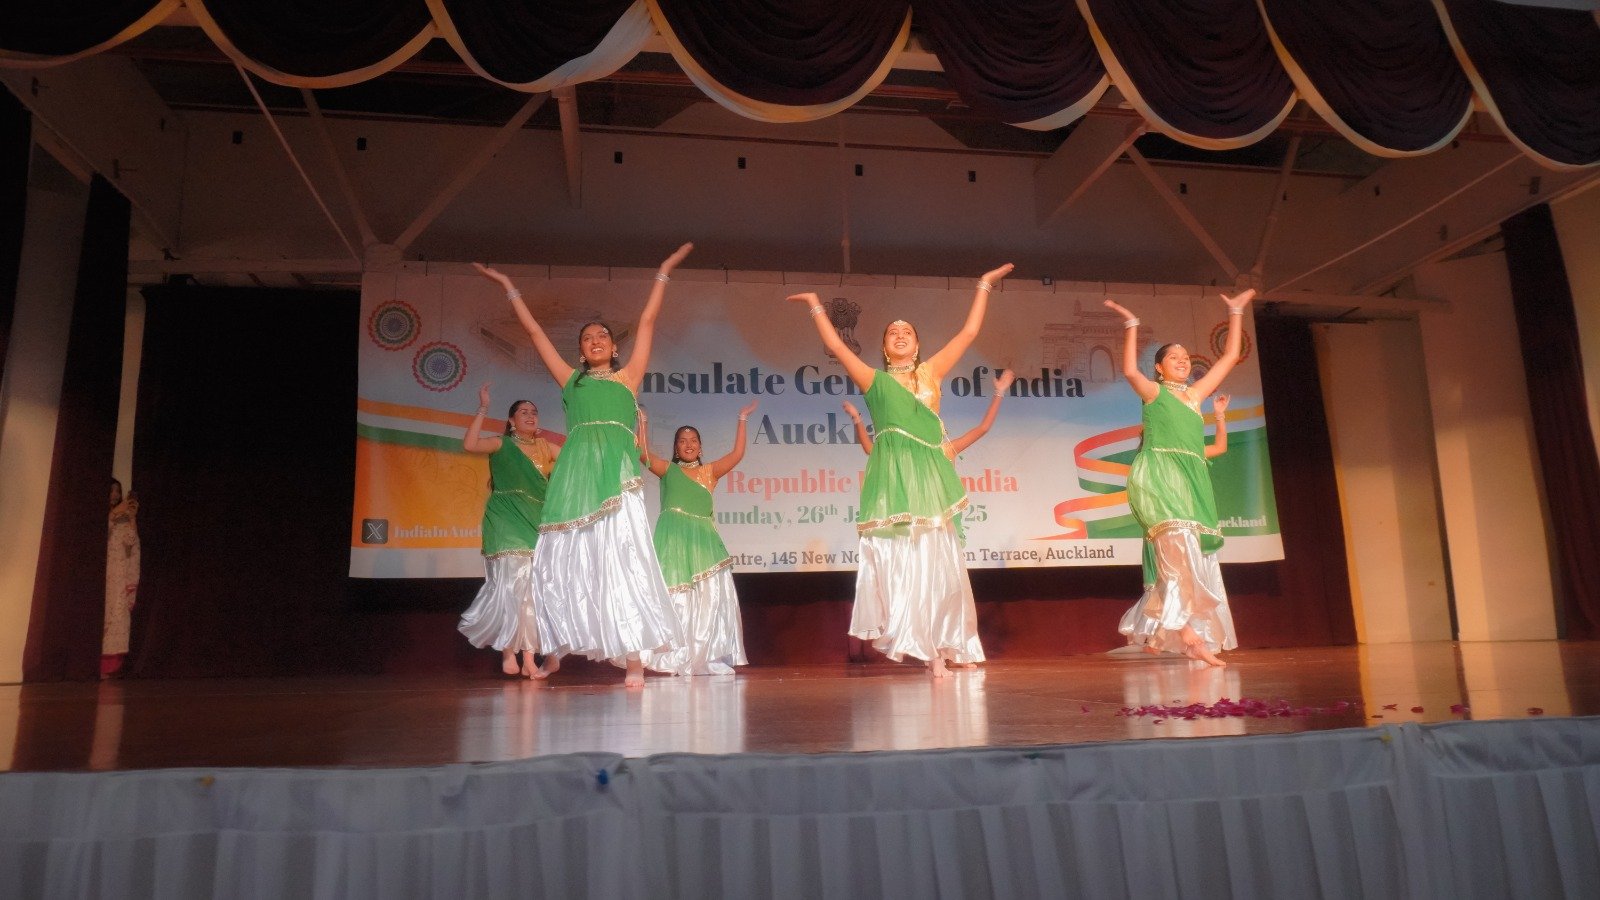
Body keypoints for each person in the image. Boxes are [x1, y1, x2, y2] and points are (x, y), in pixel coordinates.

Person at [473, 244, 692, 687]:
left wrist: (663, 272)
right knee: (564, 565)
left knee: (626, 562)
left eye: (603, 338)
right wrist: (510, 288)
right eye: (587, 339)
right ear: (580, 352)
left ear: (613, 349)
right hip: (575, 482)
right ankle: (554, 649)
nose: (595, 342)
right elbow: (535, 334)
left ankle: (634, 661)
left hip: (618, 479)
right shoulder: (569, 380)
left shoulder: (629, 378)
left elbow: (647, 322)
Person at [786, 263, 1014, 677]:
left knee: (939, 563)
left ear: (918, 344)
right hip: (895, 480)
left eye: (907, 330)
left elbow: (968, 334)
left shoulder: (931, 372)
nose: (901, 333)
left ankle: (942, 646)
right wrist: (817, 307)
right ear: (885, 349)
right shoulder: (874, 381)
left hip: (930, 477)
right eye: (893, 332)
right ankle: (924, 647)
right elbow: (839, 349)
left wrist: (983, 284)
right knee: (906, 562)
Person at [1102, 290, 1256, 666]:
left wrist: (1236, 311)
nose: (1183, 362)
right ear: (1160, 367)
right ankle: (1190, 640)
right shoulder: (1154, 393)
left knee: (1184, 560)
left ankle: (1181, 635)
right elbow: (1128, 371)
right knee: (1175, 557)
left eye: (1187, 358)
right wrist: (1132, 324)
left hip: (1190, 481)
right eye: (1174, 357)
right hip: (1158, 476)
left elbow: (1231, 356)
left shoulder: (1195, 396)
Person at [636, 401, 758, 675]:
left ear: (700, 447)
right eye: (682, 441)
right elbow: (642, 453)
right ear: (676, 447)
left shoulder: (709, 472)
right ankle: (675, 654)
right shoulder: (668, 470)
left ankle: (705, 653)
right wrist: (642, 422)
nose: (688, 445)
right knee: (676, 597)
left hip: (704, 543)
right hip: (674, 541)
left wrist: (742, 419)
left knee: (709, 598)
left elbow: (737, 454)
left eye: (693, 441)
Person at [456, 384, 559, 678]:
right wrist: (483, 408)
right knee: (511, 586)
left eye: (534, 412)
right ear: (511, 421)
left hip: (535, 520)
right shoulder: (501, 444)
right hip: (504, 520)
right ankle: (508, 652)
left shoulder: (546, 448)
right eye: (523, 412)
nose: (530, 415)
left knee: (531, 592)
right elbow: (470, 444)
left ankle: (529, 657)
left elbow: (575, 463)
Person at [842, 369, 1016, 458]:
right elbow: (870, 450)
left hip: (940, 523)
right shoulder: (901, 454)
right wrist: (857, 419)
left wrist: (999, 392)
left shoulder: (945, 450)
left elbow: (983, 428)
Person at [102, 479, 139, 679]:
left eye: (118, 491)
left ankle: (111, 668)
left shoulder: (123, 518)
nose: (115, 495)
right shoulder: (107, 515)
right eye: (112, 490)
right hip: (103, 574)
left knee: (117, 614)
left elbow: (130, 544)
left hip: (118, 574)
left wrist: (132, 518)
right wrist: (114, 514)